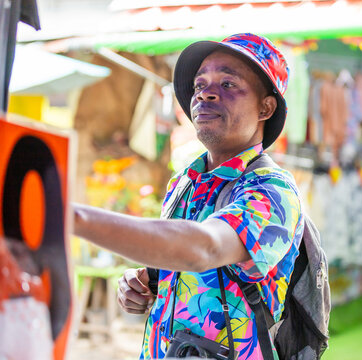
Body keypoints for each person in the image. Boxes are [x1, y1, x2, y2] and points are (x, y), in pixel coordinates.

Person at [73, 33, 303, 360]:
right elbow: (181, 258)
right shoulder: (184, 181)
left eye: (228, 84)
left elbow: (204, 247)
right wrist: (145, 282)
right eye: (199, 85)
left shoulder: (271, 190)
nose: (206, 94)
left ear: (266, 107)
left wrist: (73, 217)